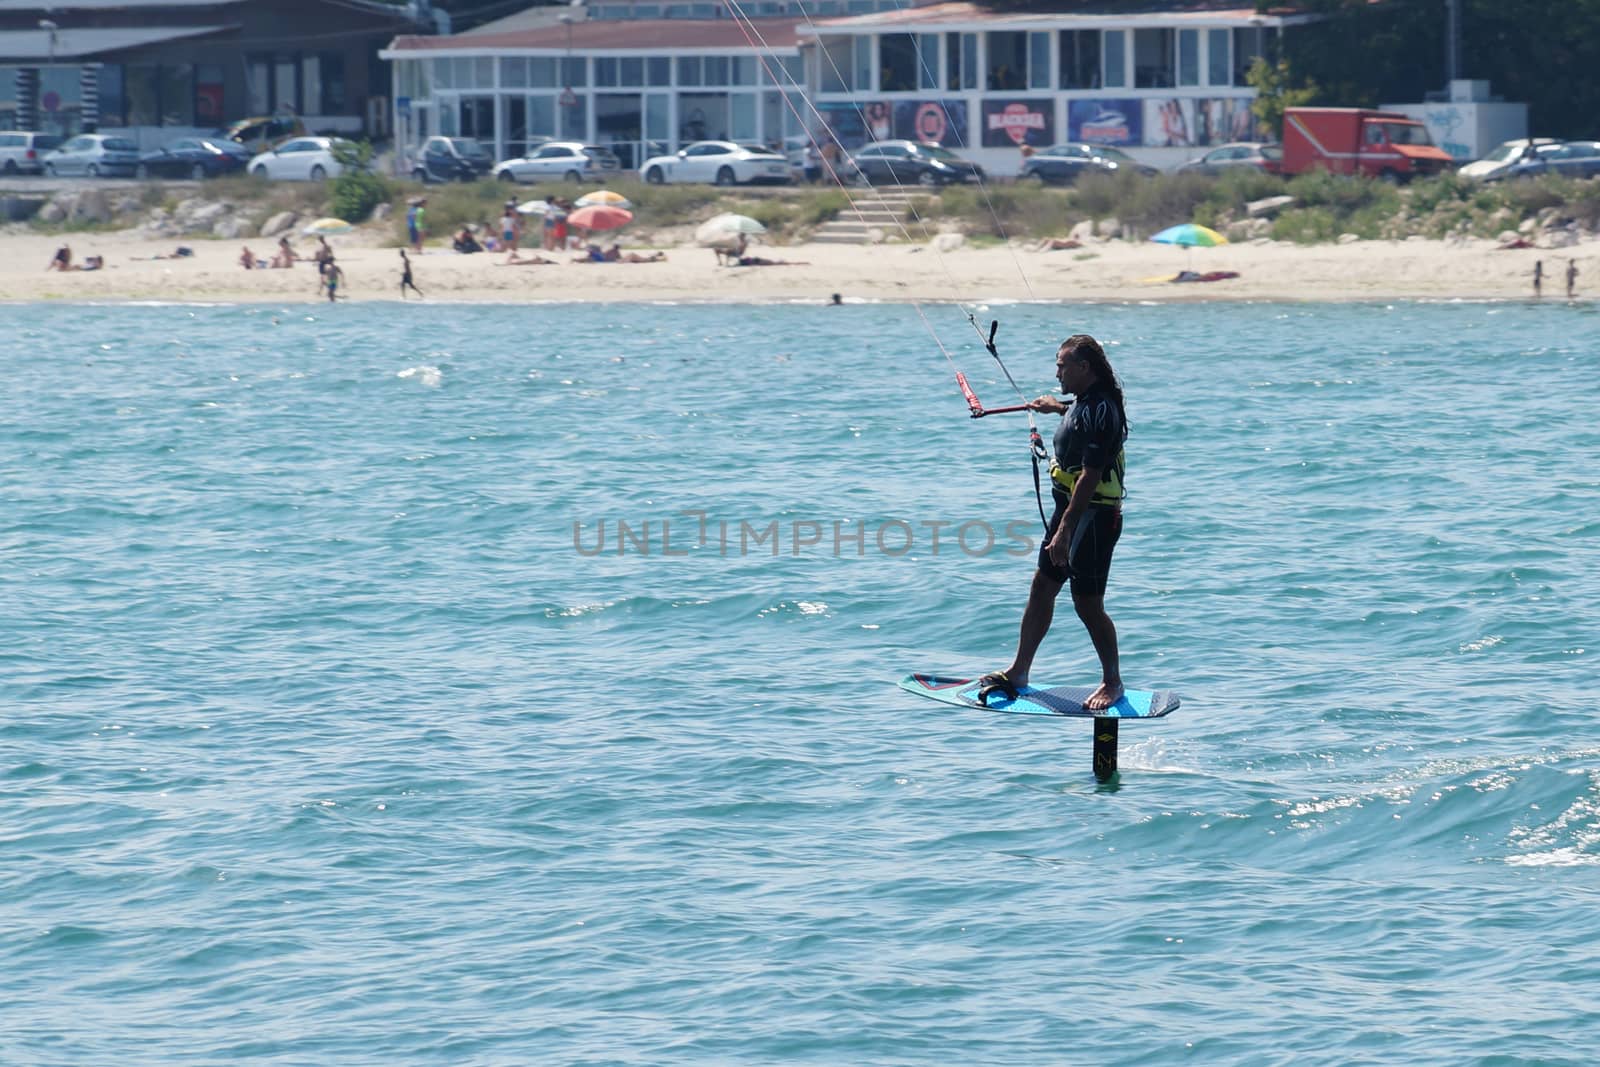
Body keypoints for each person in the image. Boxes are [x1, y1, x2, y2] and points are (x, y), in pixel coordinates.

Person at [977, 334, 1128, 712]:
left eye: (1062, 365)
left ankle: (1113, 682)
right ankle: (1019, 671)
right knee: (1042, 587)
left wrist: (1064, 532)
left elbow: (1090, 476)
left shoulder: (1102, 410)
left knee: (1087, 604)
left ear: (1084, 368)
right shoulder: (1084, 404)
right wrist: (1057, 408)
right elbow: (1079, 417)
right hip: (1071, 514)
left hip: (1092, 519)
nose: (1056, 371)